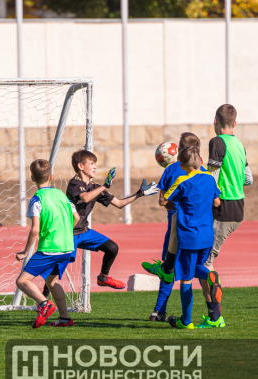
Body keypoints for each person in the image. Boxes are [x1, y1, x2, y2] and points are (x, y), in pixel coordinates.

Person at [65, 150, 158, 291]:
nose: (95, 167)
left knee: (112, 248)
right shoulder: (75, 183)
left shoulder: (96, 187)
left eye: (95, 164)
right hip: (68, 234)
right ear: (80, 166)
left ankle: (103, 278)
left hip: (83, 232)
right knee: (59, 266)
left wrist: (139, 194)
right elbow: (85, 198)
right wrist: (105, 186)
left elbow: (119, 203)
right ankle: (44, 297)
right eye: (92, 163)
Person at [156, 146, 224, 329]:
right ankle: (210, 276)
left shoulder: (182, 180)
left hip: (188, 235)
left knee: (186, 278)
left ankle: (186, 321)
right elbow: (217, 202)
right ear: (200, 161)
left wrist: (166, 196)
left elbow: (165, 200)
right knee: (195, 268)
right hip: (207, 235)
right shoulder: (210, 178)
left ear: (181, 165)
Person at [143, 133, 204, 322]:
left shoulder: (171, 169)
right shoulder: (204, 171)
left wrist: (171, 204)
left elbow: (162, 200)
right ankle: (212, 308)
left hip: (176, 228)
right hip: (200, 229)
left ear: (178, 149)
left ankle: (159, 311)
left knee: (167, 268)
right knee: (196, 267)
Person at [15, 159, 79, 328]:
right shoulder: (62, 195)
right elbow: (76, 217)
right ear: (51, 177)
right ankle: (65, 319)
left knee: (22, 281)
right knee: (51, 282)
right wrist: (65, 232)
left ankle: (44, 304)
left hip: (50, 248)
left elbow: (35, 230)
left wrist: (25, 252)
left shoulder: (37, 199)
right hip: (67, 248)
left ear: (32, 178)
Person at [205, 104, 253, 270]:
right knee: (203, 258)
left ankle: (212, 292)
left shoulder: (216, 142)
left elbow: (212, 176)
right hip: (238, 208)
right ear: (235, 123)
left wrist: (214, 197)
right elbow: (249, 179)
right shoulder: (239, 145)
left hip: (222, 207)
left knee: (205, 261)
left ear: (215, 121)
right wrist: (234, 182)